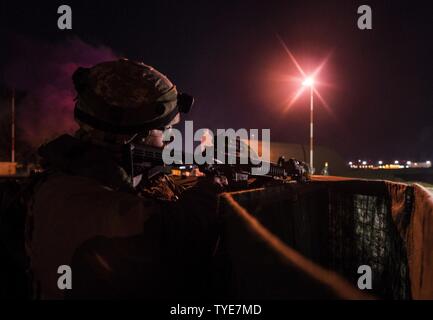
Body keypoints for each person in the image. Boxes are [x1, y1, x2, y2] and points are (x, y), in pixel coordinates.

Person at [25, 59, 224, 299]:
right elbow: (178, 236)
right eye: (164, 131)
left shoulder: (68, 177)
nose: (168, 141)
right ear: (134, 138)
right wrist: (210, 191)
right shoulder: (80, 200)